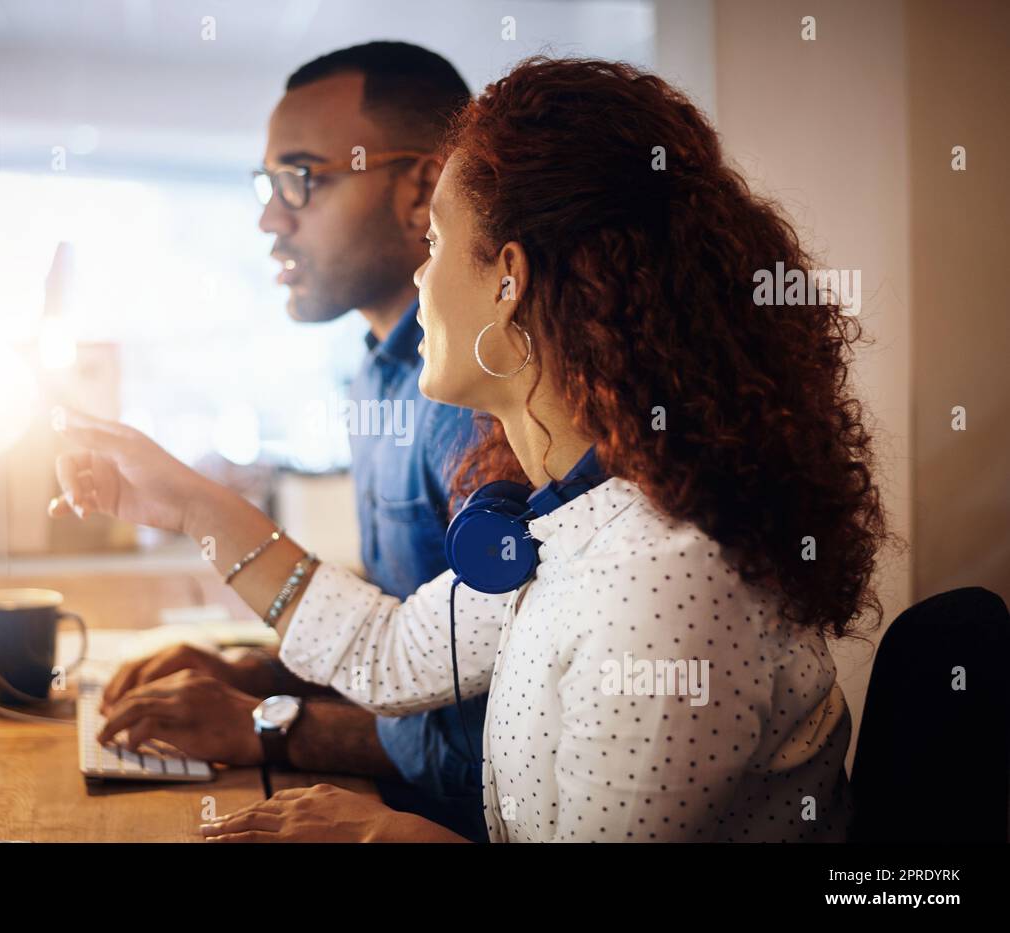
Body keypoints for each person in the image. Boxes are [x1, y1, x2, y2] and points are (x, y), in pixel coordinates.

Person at [53, 56, 886, 842]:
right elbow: (383, 653)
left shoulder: (663, 581)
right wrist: (188, 502)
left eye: (442, 241)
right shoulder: (568, 520)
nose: (422, 274)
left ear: (508, 278)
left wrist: (391, 832)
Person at [89, 42, 507, 841]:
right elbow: (409, 633)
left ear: (422, 188)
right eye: (267, 184)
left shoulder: (476, 396)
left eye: (301, 180)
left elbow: (490, 729)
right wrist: (255, 671)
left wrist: (271, 722)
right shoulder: (380, 374)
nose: (269, 217)